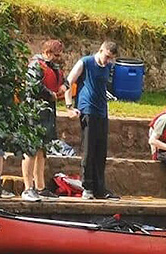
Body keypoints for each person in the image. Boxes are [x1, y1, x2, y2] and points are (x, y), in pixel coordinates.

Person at [23, 39, 79, 201]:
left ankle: (40, 187)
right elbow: (33, 86)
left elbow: (64, 81)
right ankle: (28, 188)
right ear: (47, 52)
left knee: (42, 151)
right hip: (34, 113)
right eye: (56, 55)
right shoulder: (35, 65)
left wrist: (63, 88)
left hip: (48, 114)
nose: (58, 58)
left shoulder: (53, 66)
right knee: (31, 150)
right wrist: (51, 95)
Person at [64, 41, 120, 200]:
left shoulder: (108, 67)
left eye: (111, 59)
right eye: (106, 57)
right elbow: (69, 81)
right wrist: (69, 106)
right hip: (87, 110)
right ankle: (87, 187)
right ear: (101, 50)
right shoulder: (86, 62)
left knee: (100, 151)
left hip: (102, 111)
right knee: (88, 150)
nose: (107, 61)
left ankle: (100, 188)